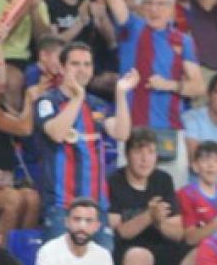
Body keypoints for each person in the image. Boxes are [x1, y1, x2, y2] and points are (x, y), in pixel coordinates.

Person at [97, 0, 205, 186]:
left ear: (172, 6)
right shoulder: (131, 27)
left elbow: (199, 86)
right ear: (141, 5)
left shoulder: (183, 41)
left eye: (161, 4)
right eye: (149, 3)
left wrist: (170, 85)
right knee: (130, 201)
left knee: (171, 202)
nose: (154, 10)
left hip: (169, 131)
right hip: (132, 129)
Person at [34, 41, 139, 248]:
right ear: (62, 68)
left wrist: (120, 94)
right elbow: (56, 133)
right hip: (61, 207)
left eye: (87, 64)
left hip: (96, 208)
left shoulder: (97, 105)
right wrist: (77, 97)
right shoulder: (47, 101)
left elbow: (122, 133)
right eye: (75, 64)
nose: (82, 69)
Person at [108, 128, 190, 265]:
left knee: (203, 255)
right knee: (141, 257)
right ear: (127, 154)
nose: (145, 159)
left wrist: (159, 223)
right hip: (128, 250)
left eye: (151, 152)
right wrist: (149, 216)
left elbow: (178, 233)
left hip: (162, 248)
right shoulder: (114, 181)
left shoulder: (163, 180)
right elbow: (120, 231)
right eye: (139, 152)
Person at [0, 80, 43, 234]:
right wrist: (29, 100)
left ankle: (20, 251)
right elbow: (23, 128)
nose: (0, 78)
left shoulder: (5, 108)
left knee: (33, 199)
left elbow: (28, 129)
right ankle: (0, 253)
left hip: (7, 180)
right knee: (12, 200)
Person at [0, 0, 53, 111]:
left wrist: (34, 10)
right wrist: (25, 5)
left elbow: (44, 42)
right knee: (13, 80)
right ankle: (15, 129)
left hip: (23, 58)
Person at [178, 140, 217, 249]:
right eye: (205, 160)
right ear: (195, 166)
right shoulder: (185, 195)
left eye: (216, 161)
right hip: (199, 252)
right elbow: (190, 239)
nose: (210, 165)